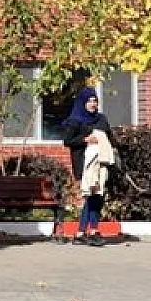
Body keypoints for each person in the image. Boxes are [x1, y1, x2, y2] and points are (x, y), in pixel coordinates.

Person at [61, 86, 113, 245]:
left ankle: (91, 231)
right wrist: (85, 140)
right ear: (82, 102)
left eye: (95, 100)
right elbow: (67, 141)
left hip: (101, 163)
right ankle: (83, 232)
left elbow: (110, 136)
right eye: (89, 101)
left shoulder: (101, 119)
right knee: (89, 195)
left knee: (98, 195)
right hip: (83, 162)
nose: (93, 104)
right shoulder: (75, 120)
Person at [76, 129, 116, 247]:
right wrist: (94, 181)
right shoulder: (93, 150)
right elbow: (91, 167)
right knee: (93, 203)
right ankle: (92, 231)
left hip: (96, 179)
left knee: (92, 203)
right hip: (94, 180)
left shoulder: (98, 149)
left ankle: (81, 233)